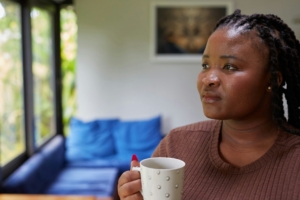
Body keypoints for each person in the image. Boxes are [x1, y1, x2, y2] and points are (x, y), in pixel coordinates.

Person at [117, 9, 300, 199]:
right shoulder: (177, 145)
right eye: (205, 66)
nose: (208, 79)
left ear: (272, 80)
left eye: (229, 66)